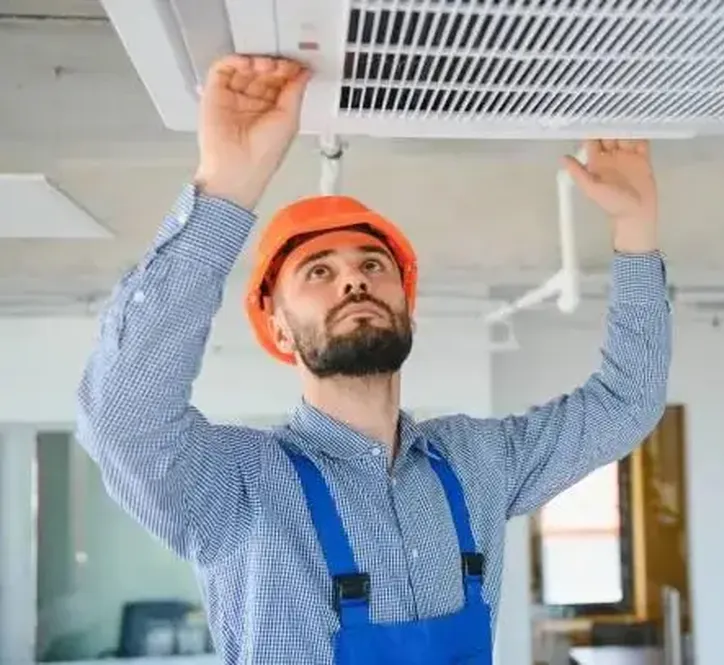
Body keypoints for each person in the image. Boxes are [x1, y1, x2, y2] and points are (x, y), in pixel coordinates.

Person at [75, 54, 672, 664]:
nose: (353, 282)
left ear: (408, 311)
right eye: (319, 272)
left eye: (372, 265)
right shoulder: (239, 486)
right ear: (278, 330)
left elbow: (625, 404)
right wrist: (228, 185)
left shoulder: (479, 466)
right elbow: (123, 416)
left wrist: (635, 227)